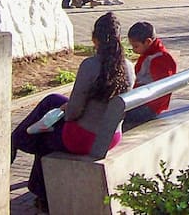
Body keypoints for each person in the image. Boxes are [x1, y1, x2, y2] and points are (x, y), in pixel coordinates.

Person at [11, 12, 134, 211]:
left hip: (85, 139)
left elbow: (73, 113)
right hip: (112, 135)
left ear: (95, 39)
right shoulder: (128, 66)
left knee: (45, 138)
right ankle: (19, 141)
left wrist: (64, 111)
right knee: (52, 100)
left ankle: (22, 148)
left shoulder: (91, 65)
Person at [123, 21, 177, 131]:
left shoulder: (158, 60)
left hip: (149, 106)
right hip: (144, 101)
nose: (133, 49)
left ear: (148, 42)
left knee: (115, 113)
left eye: (136, 46)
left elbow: (163, 89)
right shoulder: (150, 55)